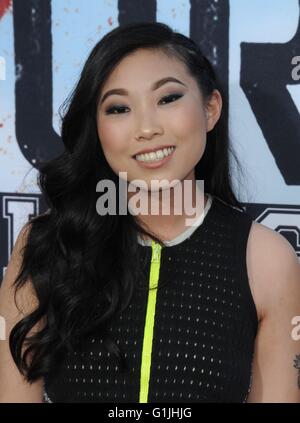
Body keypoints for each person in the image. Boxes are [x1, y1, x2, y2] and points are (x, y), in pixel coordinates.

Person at [0, 21, 300, 403]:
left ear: (210, 109)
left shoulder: (267, 260)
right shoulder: (46, 244)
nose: (146, 128)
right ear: (97, 127)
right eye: (119, 108)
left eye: (168, 98)